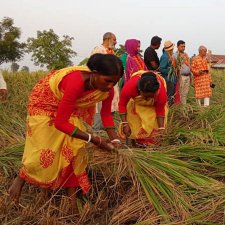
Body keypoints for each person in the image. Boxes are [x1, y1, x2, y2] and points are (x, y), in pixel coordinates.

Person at [8, 54, 123, 211]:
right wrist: (95, 139)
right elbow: (61, 123)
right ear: (94, 73)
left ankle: (71, 205)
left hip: (68, 108)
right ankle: (22, 177)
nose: (110, 86)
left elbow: (106, 115)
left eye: (114, 82)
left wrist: (115, 140)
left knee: (73, 152)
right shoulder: (76, 82)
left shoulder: (106, 91)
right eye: (107, 80)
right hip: (45, 105)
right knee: (43, 154)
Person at [119, 71, 167, 147]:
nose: (147, 99)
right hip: (137, 104)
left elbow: (160, 111)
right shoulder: (129, 87)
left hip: (153, 108)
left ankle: (150, 146)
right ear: (139, 89)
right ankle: (134, 143)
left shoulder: (161, 93)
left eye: (151, 97)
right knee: (133, 124)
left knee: (155, 129)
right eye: (145, 96)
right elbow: (122, 105)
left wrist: (161, 128)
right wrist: (125, 124)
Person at [91, 32, 119, 133]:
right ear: (108, 39)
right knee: (100, 108)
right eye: (114, 40)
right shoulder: (98, 50)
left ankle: (107, 133)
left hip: (111, 86)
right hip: (101, 86)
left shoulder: (111, 51)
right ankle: (96, 134)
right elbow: (94, 68)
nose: (116, 42)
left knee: (109, 109)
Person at [159, 40, 179, 106]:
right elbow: (161, 69)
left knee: (172, 95)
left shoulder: (170, 55)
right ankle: (168, 109)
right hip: (168, 79)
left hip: (172, 79)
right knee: (169, 96)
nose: (173, 49)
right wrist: (171, 71)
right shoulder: (165, 57)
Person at [173, 40, 191, 105]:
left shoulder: (186, 55)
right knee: (180, 92)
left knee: (185, 93)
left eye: (184, 46)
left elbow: (189, 65)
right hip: (181, 76)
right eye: (182, 46)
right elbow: (174, 67)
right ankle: (179, 107)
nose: (183, 48)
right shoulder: (175, 55)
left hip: (188, 76)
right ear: (177, 47)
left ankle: (184, 107)